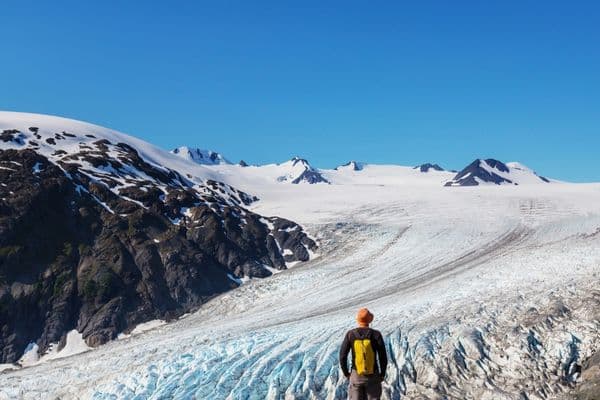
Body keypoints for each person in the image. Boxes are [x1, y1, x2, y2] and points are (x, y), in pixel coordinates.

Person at [339, 308, 388, 400]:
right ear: (369, 320)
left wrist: (346, 374)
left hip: (356, 375)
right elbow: (383, 356)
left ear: (358, 320)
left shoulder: (350, 334)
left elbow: (342, 356)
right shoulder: (376, 334)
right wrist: (382, 374)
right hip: (373, 375)